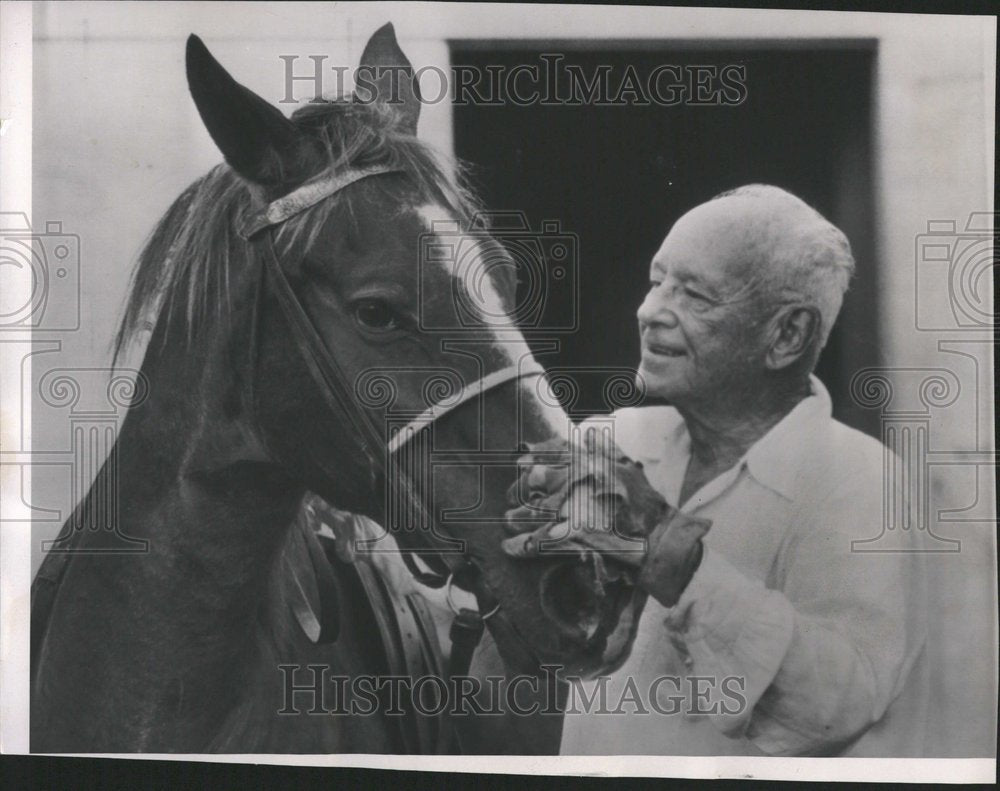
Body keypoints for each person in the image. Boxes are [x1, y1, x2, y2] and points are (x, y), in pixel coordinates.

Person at [503, 184, 929, 756]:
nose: (649, 311)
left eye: (695, 295)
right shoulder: (612, 441)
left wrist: (677, 560)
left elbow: (838, 706)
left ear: (787, 335)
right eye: (657, 282)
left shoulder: (864, 481)